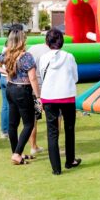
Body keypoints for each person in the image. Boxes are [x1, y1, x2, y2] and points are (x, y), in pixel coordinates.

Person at [0, 28, 41, 165]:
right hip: (22, 91)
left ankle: (16, 152)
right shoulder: (26, 56)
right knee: (29, 124)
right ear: (22, 40)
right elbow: (33, 78)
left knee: (13, 124)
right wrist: (38, 96)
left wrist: (6, 72)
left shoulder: (6, 54)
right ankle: (17, 154)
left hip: (10, 88)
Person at [38, 28, 81, 175]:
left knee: (52, 132)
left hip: (49, 96)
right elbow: (76, 78)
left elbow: (42, 77)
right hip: (67, 95)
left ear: (47, 42)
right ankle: (70, 160)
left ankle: (56, 168)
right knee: (69, 129)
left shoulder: (43, 58)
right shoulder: (69, 57)